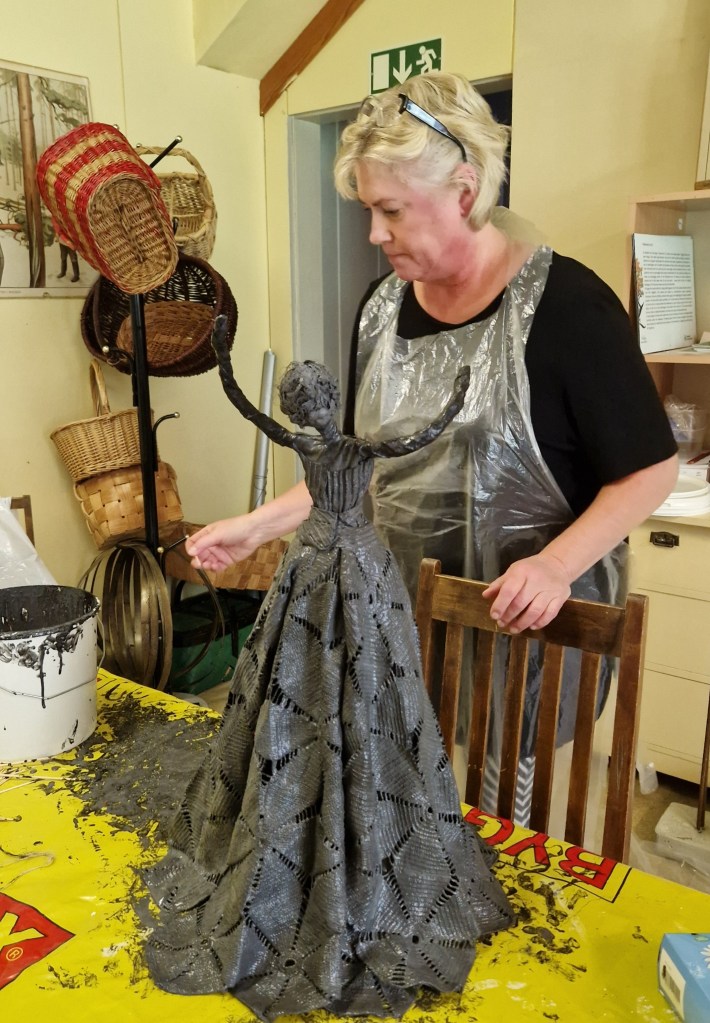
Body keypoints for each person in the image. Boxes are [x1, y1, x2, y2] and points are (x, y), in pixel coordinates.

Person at [186, 72, 677, 815]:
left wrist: (555, 565)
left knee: (505, 821)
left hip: (524, 630)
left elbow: (650, 469)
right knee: (408, 812)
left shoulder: (568, 308)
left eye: (391, 210)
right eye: (368, 210)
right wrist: (257, 526)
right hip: (405, 619)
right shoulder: (379, 311)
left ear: (464, 190)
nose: (375, 234)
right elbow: (360, 468)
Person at [143, 319, 514, 1019]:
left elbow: (412, 437)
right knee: (299, 686)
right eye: (303, 403)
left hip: (349, 567)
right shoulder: (329, 445)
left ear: (322, 403)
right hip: (317, 568)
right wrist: (222, 357)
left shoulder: (337, 445)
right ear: (307, 406)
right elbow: (260, 409)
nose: (307, 411)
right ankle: (298, 825)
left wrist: (455, 397)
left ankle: (364, 830)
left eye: (310, 401)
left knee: (376, 696)